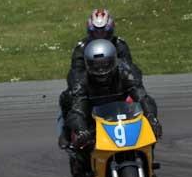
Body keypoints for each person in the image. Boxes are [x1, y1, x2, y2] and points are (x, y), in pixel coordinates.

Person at [65, 39, 164, 177]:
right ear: (87, 64)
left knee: (150, 130)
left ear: (113, 61)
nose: (101, 70)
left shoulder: (125, 73)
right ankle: (86, 174)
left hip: (123, 113)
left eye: (105, 64)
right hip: (95, 118)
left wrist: (152, 117)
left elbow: (143, 97)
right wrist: (81, 130)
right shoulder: (81, 82)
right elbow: (77, 110)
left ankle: (150, 170)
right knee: (81, 144)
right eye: (96, 65)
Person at [58, 8, 142, 148]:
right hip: (91, 86)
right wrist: (80, 86)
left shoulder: (120, 44)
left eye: (104, 31)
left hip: (115, 84)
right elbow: (75, 73)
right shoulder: (81, 48)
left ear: (110, 30)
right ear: (90, 31)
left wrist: (131, 80)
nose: (100, 35)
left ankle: (145, 129)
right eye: (96, 32)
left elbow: (130, 67)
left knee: (138, 95)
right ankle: (68, 132)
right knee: (66, 97)